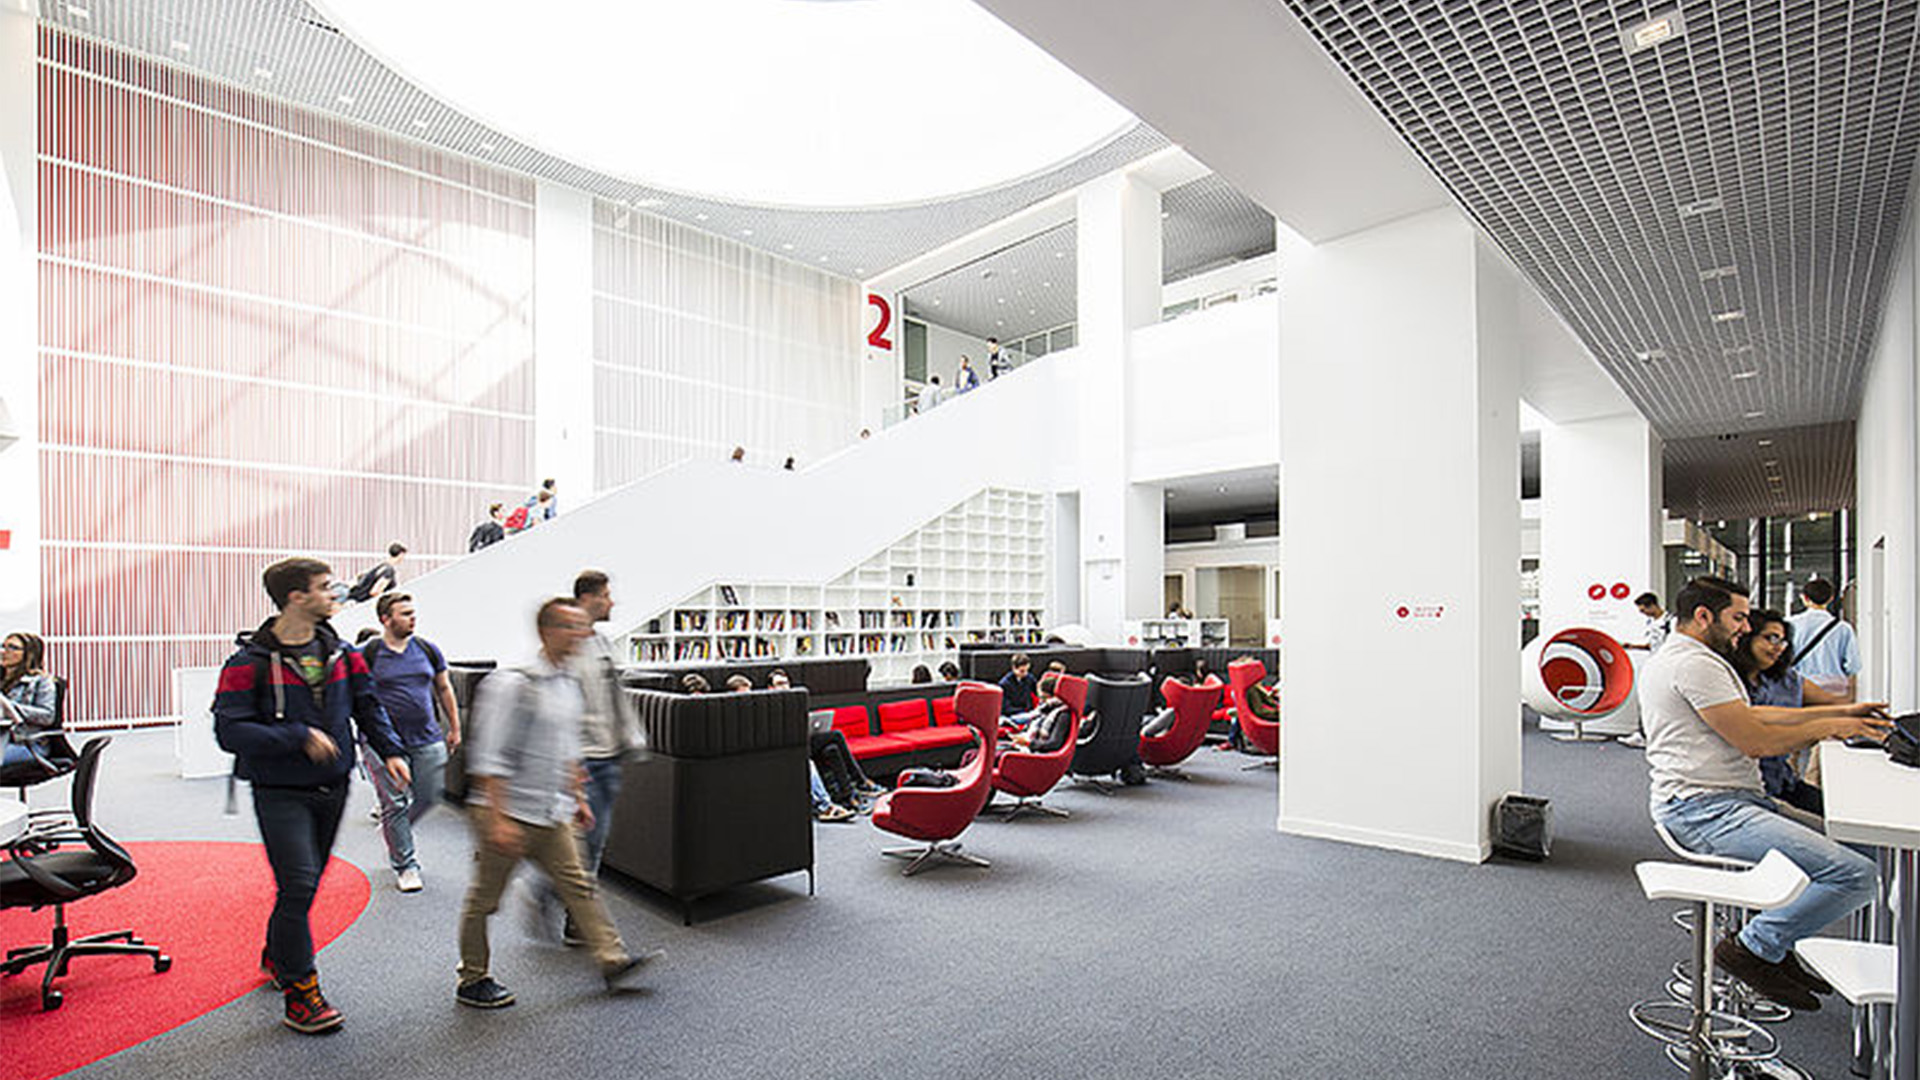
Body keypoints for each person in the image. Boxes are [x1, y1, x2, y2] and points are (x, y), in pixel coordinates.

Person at [1641, 576, 1889, 1011]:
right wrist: (1832, 726)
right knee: (1857, 874)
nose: (1744, 627)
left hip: (1732, 802)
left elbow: (1752, 714)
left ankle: (1774, 945)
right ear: (1704, 617)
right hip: (1704, 810)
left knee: (1864, 846)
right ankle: (1755, 947)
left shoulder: (1698, 659)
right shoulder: (1692, 663)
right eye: (1738, 618)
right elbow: (1754, 740)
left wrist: (1839, 711)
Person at [213, 557, 412, 1034]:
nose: (335, 594)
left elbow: (368, 706)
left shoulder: (345, 654)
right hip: (279, 790)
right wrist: (296, 736)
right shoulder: (247, 663)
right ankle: (302, 993)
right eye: (325, 588)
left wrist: (392, 751)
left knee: (302, 886)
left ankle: (280, 951)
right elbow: (228, 729)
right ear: (296, 598)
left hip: (334, 784)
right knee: (300, 884)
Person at [456, 598, 661, 1009]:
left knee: (580, 885)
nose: (582, 635)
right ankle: (472, 978)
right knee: (485, 900)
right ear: (547, 631)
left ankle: (612, 959)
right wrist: (497, 820)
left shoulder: (568, 684)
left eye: (583, 627)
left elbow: (568, 750)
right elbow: (488, 756)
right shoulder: (513, 684)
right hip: (506, 811)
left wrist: (579, 797)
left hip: (553, 811)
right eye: (572, 627)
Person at [530, 570, 650, 945]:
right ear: (589, 598)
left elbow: (614, 695)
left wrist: (630, 738)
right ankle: (555, 903)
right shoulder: (564, 646)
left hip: (607, 755)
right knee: (587, 843)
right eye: (606, 595)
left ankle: (554, 900)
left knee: (587, 843)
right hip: (583, 760)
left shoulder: (601, 643)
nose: (612, 602)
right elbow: (551, 706)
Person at [360, 593, 462, 893]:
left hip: (427, 736)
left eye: (413, 612)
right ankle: (406, 865)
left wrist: (454, 726)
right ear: (385, 619)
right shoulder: (370, 652)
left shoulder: (427, 650)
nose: (412, 618)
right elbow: (353, 692)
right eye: (404, 613)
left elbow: (444, 688)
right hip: (382, 741)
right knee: (395, 802)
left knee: (430, 795)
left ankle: (393, 828)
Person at [1732, 610, 1844, 818]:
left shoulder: (1785, 679)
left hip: (1782, 780)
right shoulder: (1725, 681)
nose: (1778, 648)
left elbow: (1831, 702)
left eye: (1783, 642)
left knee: (1838, 813)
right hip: (1748, 790)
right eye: (1771, 638)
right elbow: (1757, 728)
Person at [1789, 578, 1860, 700]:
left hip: (1801, 688)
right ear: (1831, 598)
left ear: (1805, 598)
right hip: (1835, 691)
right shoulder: (1844, 628)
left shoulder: (1790, 624)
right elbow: (1853, 666)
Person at [1, 632, 57, 768]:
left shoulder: (41, 682)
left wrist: (9, 707)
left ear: (28, 654)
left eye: (12, 648)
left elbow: (47, 716)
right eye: (3, 646)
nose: (3, 652)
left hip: (26, 744)